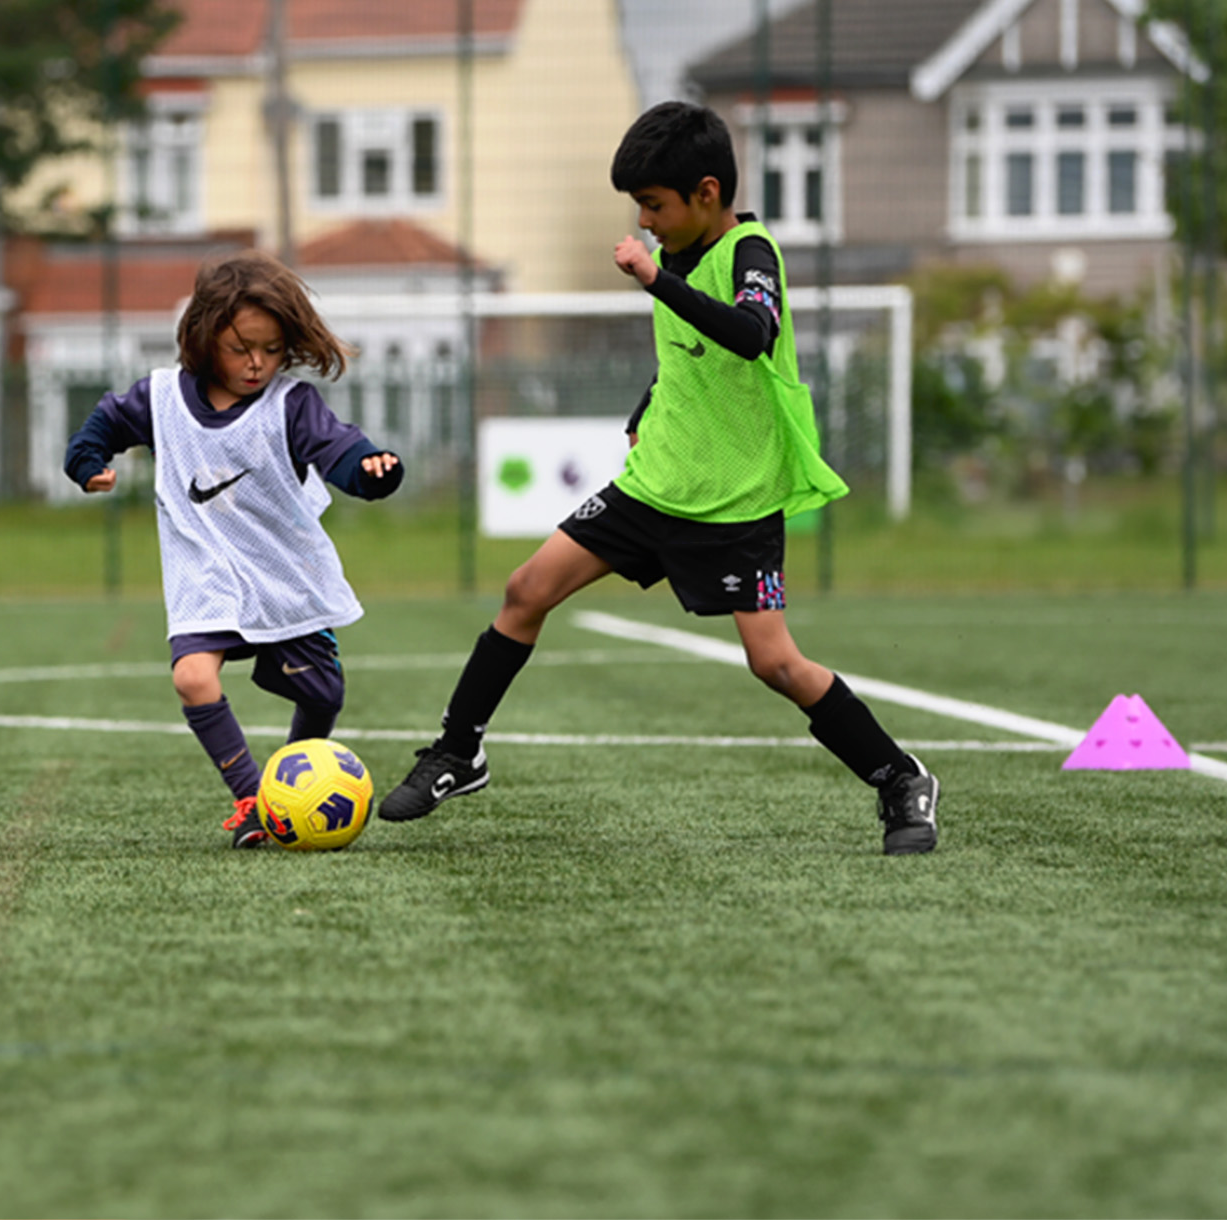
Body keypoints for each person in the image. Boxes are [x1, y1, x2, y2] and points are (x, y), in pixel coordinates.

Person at [377, 101, 938, 855]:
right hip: (653, 486)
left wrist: (652, 281)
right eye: (640, 207)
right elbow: (687, 355)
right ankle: (458, 752)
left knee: (774, 663)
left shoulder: (751, 251)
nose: (645, 222)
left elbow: (748, 335)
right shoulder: (672, 254)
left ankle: (900, 778)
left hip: (737, 502)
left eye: (654, 205)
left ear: (707, 192)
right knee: (524, 591)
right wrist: (648, 401)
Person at [63, 252, 404, 848]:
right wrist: (85, 461)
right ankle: (255, 801)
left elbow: (338, 450)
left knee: (323, 695)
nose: (257, 364)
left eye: (272, 350)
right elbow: (105, 423)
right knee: (193, 677)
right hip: (205, 572)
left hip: (282, 571)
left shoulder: (289, 405)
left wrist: (369, 471)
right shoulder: (163, 398)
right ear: (202, 337)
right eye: (241, 347)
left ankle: (294, 781)